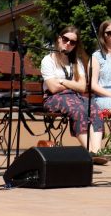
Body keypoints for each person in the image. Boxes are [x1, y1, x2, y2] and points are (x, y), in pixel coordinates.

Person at [41, 26, 106, 162]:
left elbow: (82, 87)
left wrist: (62, 81)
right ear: (59, 39)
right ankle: (89, 151)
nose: (68, 44)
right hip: (53, 99)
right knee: (78, 109)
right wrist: (72, 84)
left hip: (75, 97)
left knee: (95, 109)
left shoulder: (76, 62)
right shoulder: (48, 60)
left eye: (72, 42)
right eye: (65, 39)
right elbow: (53, 88)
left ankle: (97, 151)